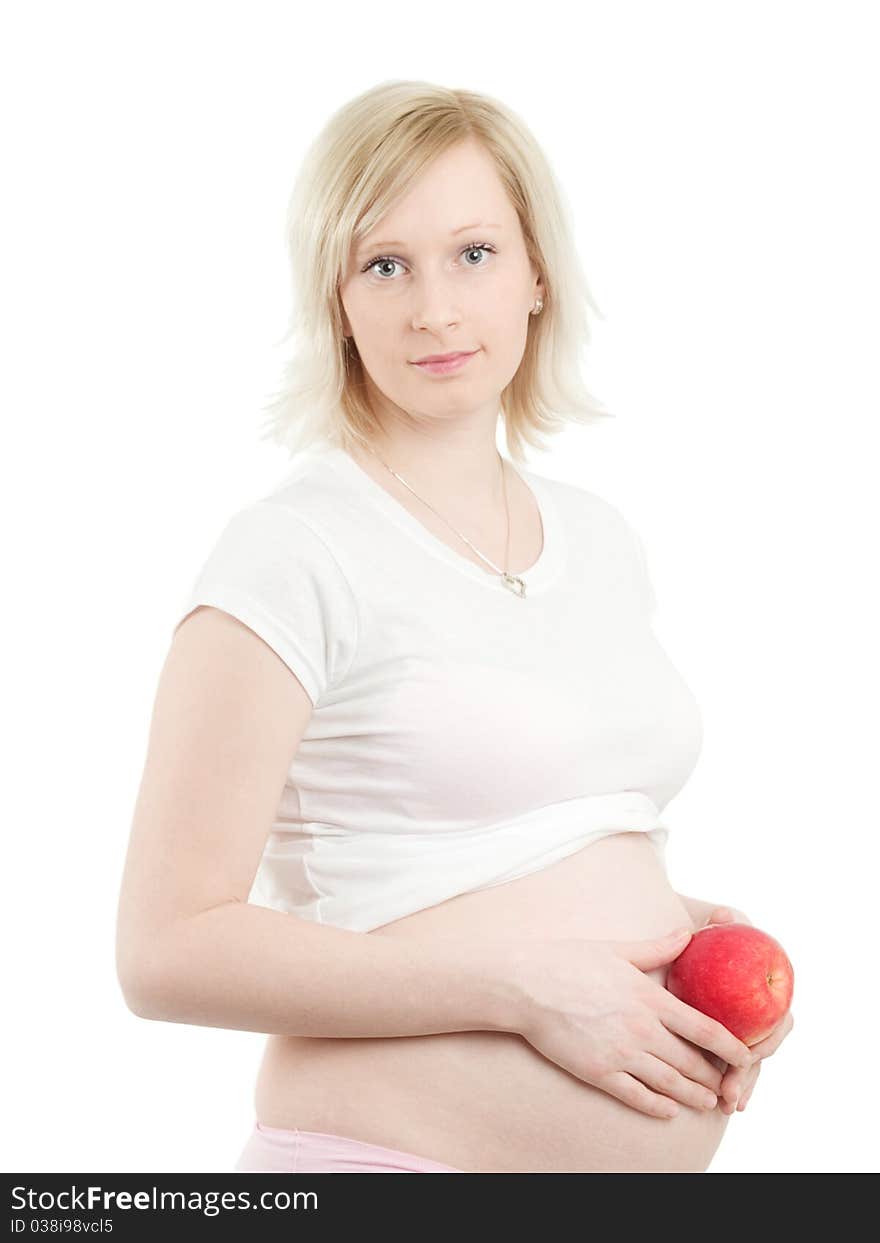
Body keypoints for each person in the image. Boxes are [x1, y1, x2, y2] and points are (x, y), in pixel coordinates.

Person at [115, 80, 792, 1174]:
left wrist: (697, 942)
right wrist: (523, 991)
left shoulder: (600, 539)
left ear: (536, 275)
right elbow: (162, 949)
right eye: (385, 264)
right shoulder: (291, 551)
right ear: (336, 300)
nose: (434, 308)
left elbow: (528, 843)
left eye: (473, 253)